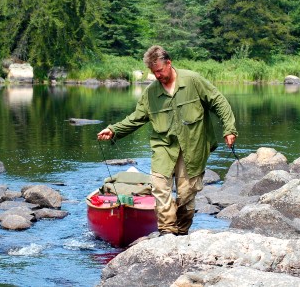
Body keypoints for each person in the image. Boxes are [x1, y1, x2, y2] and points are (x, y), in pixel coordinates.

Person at [97, 45, 237, 236]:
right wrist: (113, 130)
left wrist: (229, 129)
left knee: (186, 195)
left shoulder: (193, 80)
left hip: (193, 146)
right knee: (160, 189)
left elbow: (218, 101)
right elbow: (137, 118)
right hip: (163, 147)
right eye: (154, 73)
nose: (157, 76)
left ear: (169, 63)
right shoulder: (151, 93)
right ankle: (167, 232)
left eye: (160, 71)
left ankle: (181, 231)